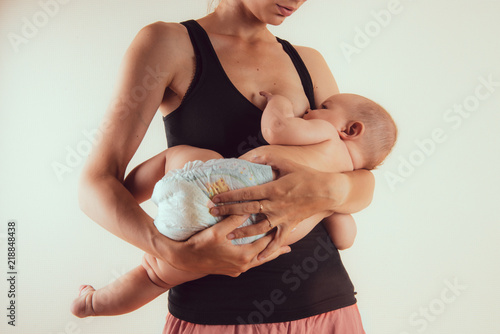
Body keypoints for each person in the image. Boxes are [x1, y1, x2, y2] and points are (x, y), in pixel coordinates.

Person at [76, 0, 376, 332]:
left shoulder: (308, 62)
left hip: (327, 309)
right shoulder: (167, 44)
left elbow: (362, 179)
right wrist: (171, 251)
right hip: (213, 316)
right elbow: (95, 185)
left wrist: (325, 190)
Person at [71, 90, 397, 319]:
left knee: (178, 155)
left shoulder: (327, 133)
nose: (312, 110)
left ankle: (126, 197)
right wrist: (330, 206)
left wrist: (278, 101)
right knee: (153, 276)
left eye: (323, 106)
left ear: (350, 130)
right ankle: (92, 305)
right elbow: (345, 239)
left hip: (216, 186)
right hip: (241, 242)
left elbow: (276, 128)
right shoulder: (333, 198)